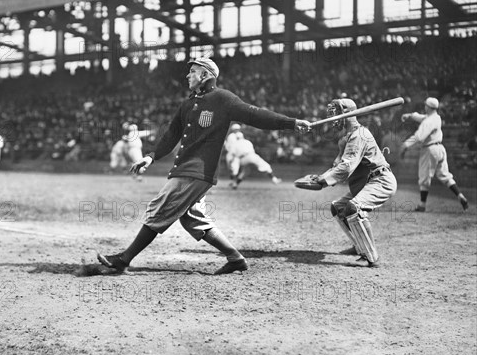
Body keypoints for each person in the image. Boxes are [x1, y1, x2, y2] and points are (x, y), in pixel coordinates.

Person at [97, 57, 311, 275]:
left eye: (193, 71)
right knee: (192, 218)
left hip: (196, 172)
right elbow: (171, 135)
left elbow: (255, 115)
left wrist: (291, 123)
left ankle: (123, 260)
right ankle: (235, 259)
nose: (187, 75)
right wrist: (151, 156)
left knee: (160, 208)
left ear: (206, 75)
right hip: (187, 170)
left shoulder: (223, 99)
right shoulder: (188, 104)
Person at [311, 98, 397, 268]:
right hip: (366, 182)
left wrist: (324, 181)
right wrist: (320, 177)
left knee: (353, 208)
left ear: (348, 114)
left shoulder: (361, 135)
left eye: (336, 113)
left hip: (380, 180)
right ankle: (359, 245)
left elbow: (346, 167)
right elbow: (338, 165)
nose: (333, 118)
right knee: (338, 208)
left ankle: (371, 256)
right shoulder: (346, 138)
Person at [400, 97, 469, 212]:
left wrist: (405, 145)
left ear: (429, 107)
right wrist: (410, 115)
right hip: (440, 149)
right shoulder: (436, 117)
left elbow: (419, 137)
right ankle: (460, 195)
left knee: (424, 177)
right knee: (445, 175)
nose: (424, 106)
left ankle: (422, 204)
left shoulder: (428, 121)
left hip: (429, 149)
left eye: (426, 105)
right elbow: (422, 117)